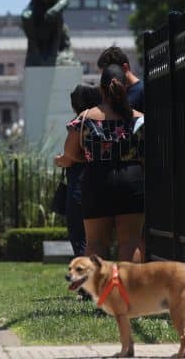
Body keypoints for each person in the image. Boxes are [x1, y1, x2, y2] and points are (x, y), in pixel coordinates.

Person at [55, 65, 145, 263]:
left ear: (101, 90)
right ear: (125, 88)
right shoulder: (139, 118)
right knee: (130, 241)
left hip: (96, 180)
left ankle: (98, 291)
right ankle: (129, 291)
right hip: (132, 179)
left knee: (95, 242)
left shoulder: (85, 118)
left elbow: (70, 155)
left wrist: (79, 158)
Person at [64, 84, 102, 257]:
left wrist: (59, 160)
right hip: (101, 182)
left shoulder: (79, 123)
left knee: (81, 238)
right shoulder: (106, 120)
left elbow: (69, 156)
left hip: (80, 184)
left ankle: (86, 278)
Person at [97, 46, 144, 112]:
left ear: (125, 68)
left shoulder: (142, 91)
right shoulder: (111, 92)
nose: (106, 78)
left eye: (109, 73)